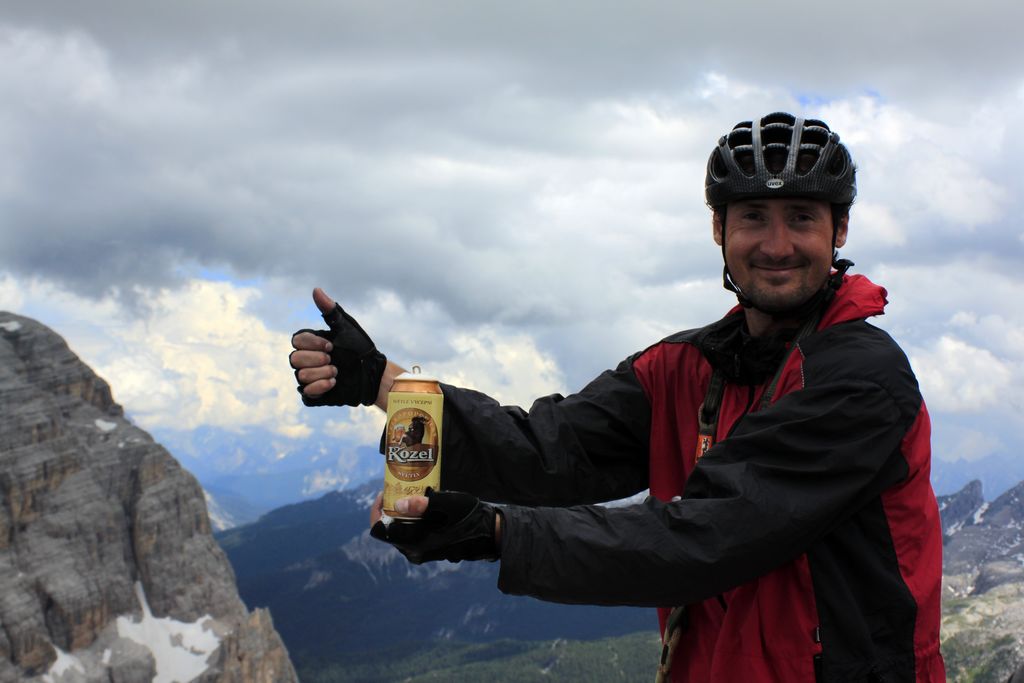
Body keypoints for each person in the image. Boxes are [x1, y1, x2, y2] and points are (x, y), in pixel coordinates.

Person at [289, 113, 946, 682]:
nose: (776, 245)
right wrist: (382, 382)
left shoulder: (862, 378)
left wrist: (493, 531)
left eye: (801, 217)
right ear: (718, 229)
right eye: (752, 217)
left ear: (840, 230)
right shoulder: (683, 369)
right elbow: (547, 449)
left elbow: (708, 536)